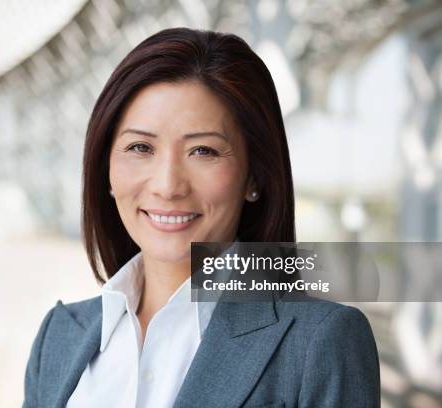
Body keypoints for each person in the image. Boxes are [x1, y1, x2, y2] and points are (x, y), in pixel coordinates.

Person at [22, 27, 380, 408]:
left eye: (204, 151)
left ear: (254, 175)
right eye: (140, 147)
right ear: (105, 168)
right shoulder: (58, 338)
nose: (168, 185)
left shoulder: (319, 343)